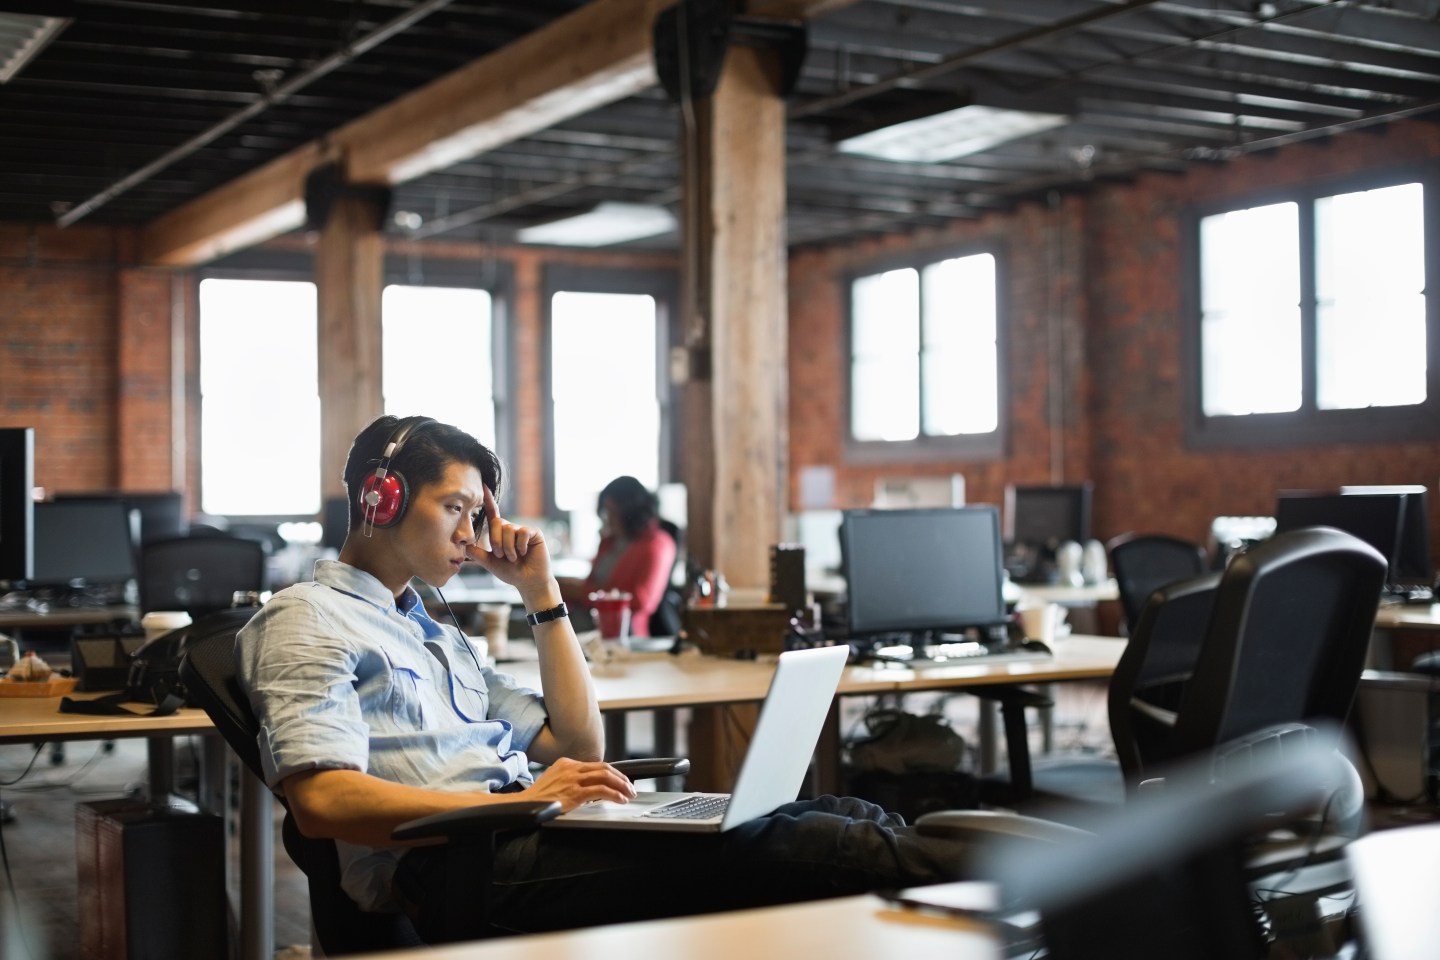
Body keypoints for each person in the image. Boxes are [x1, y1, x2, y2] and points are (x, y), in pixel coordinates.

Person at [236, 415, 977, 940]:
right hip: (464, 867)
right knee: (813, 850)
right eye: (454, 508)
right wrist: (524, 800)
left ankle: (1011, 876)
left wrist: (542, 594)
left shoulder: (431, 628)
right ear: (381, 499)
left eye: (476, 511)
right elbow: (322, 802)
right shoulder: (308, 620)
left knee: (841, 816)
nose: (471, 533)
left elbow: (578, 738)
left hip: (532, 831)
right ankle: (1059, 880)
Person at [558, 475, 677, 638]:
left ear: (629, 511)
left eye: (612, 511)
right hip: (591, 621)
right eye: (606, 511)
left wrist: (581, 592)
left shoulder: (657, 544)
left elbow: (642, 601)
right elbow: (594, 583)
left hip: (626, 632)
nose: (608, 517)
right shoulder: (610, 541)